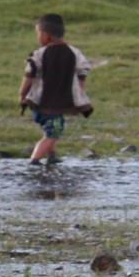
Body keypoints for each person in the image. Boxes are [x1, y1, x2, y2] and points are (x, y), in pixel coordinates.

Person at [18, 13, 93, 165]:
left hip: (39, 102)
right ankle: (35, 160)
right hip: (59, 101)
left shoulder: (39, 54)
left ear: (46, 35)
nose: (38, 38)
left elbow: (29, 74)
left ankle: (51, 156)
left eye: (38, 34)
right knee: (53, 133)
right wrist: (79, 93)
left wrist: (22, 93)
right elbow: (82, 73)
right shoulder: (75, 53)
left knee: (52, 129)